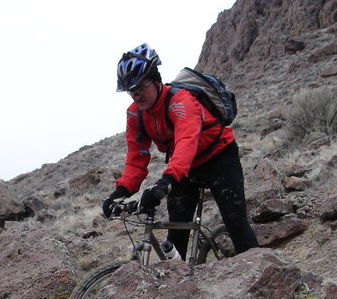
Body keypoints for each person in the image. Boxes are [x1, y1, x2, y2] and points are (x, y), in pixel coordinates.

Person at [102, 43, 258, 259]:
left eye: (140, 87)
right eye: (131, 91)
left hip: (219, 156)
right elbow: (136, 159)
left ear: (156, 81)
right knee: (176, 231)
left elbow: (186, 142)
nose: (136, 96)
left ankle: (264, 275)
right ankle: (181, 285)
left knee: (235, 220)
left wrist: (165, 181)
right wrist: (119, 193)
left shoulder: (180, 101)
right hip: (186, 168)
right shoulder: (136, 114)